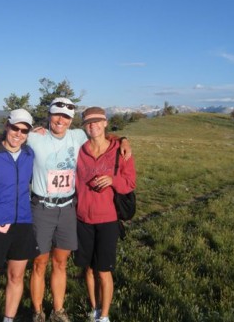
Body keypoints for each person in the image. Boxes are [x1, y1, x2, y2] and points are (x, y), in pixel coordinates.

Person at [27, 98, 131, 322]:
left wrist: (124, 139)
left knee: (61, 262)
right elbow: (9, 140)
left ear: (72, 121)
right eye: (56, 115)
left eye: (66, 117)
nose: (60, 120)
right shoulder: (35, 137)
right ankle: (37, 312)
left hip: (67, 208)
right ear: (48, 116)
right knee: (39, 263)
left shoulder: (78, 136)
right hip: (42, 207)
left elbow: (104, 136)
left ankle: (58, 310)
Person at [74, 107, 136, 322]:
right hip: (82, 218)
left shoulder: (119, 150)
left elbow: (130, 183)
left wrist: (113, 181)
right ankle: (94, 308)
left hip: (108, 219)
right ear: (84, 126)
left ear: (105, 123)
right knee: (88, 269)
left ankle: (105, 315)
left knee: (104, 270)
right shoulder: (79, 150)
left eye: (97, 121)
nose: (93, 125)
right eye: (88, 122)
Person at [0, 109, 38, 322]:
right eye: (15, 128)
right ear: (6, 126)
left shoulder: (30, 154)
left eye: (24, 130)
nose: (18, 134)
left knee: (16, 276)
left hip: (22, 222)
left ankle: (8, 318)